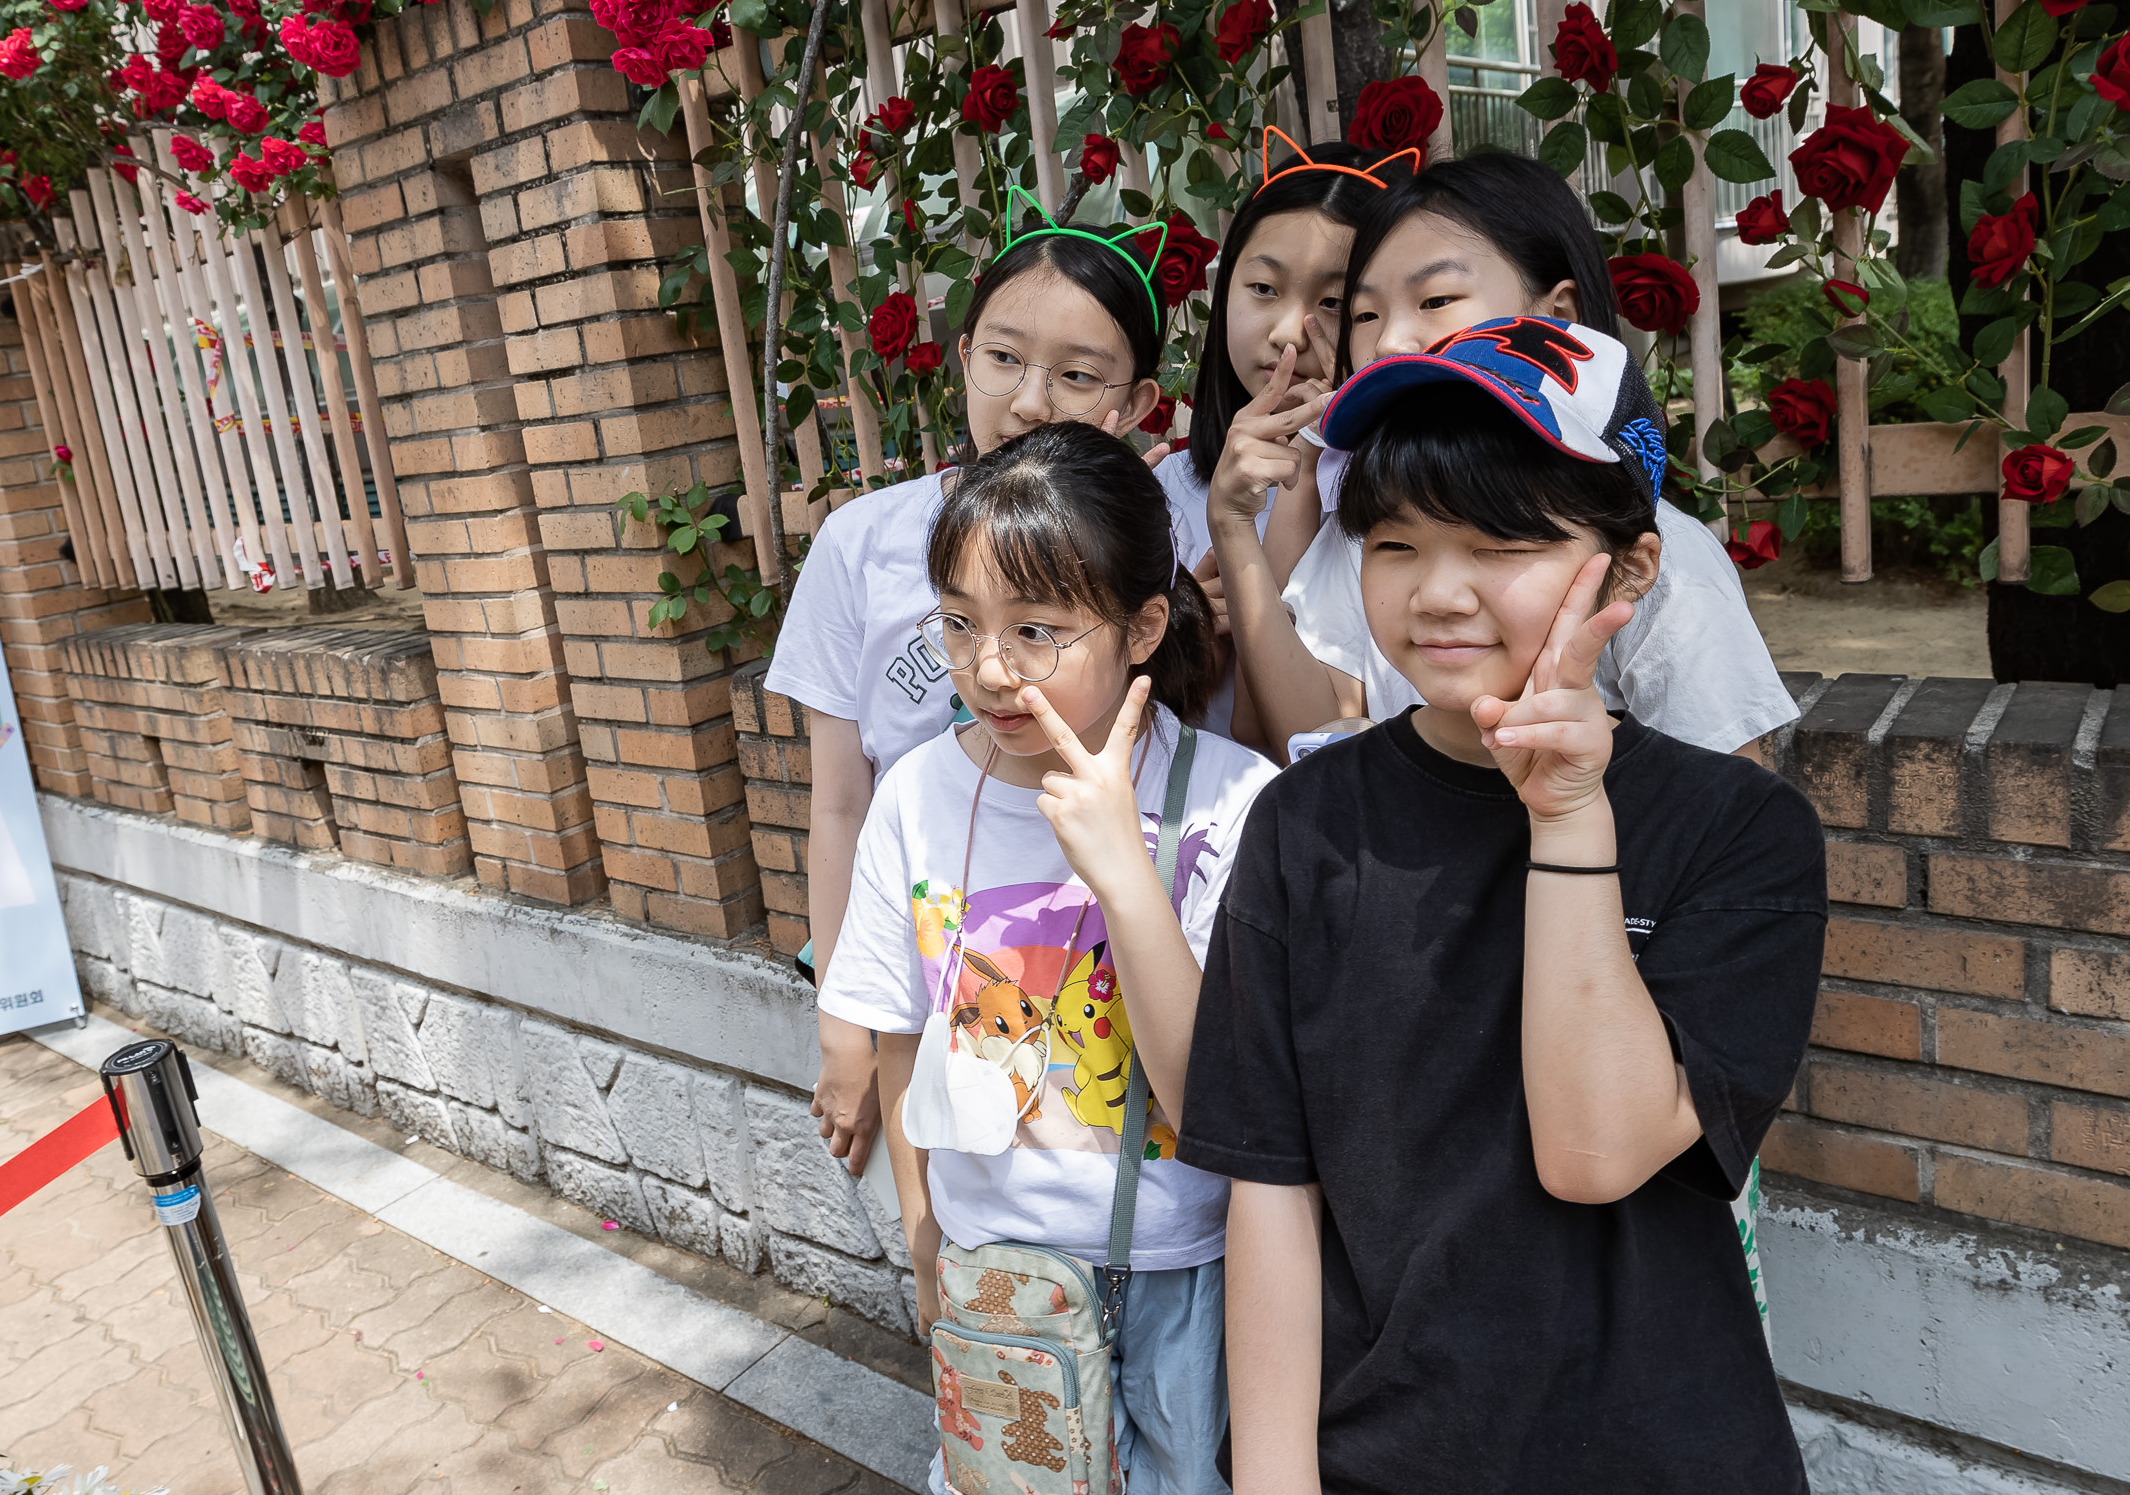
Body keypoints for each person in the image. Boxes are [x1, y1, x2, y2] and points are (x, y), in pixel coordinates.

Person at [1176, 324, 1827, 1493]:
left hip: (1659, 1450)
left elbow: (1596, 1150)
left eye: (1497, 541)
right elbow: (1270, 1184)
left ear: (1628, 569)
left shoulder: (1735, 831)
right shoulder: (1307, 824)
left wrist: (1572, 819)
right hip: (1379, 1448)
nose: (1435, 591)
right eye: (1394, 542)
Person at [820, 421, 1275, 1493]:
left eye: (1037, 629)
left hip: (1185, 1272)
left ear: (1143, 624)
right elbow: (900, 1033)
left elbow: (1209, 1093)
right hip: (995, 1274)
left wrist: (1123, 868)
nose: (987, 667)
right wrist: (928, 1240)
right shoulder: (915, 796)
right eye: (959, 622)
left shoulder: (1230, 802)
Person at [766, 197, 1175, 1180]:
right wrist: (845, 1021)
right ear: (962, 361)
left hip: (1115, 993)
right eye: (1003, 357)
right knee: (956, 1274)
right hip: (922, 997)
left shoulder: (1163, 554)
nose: (1030, 400)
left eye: (1076, 375)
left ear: (1135, 402)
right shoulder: (858, 543)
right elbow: (839, 800)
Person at [1218, 151, 1802, 762]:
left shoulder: (1650, 554)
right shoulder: (1371, 526)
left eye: (1436, 299)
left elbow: (1730, 801)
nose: (1388, 341)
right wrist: (1242, 520)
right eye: (1364, 313)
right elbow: (1308, 735)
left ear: (1559, 315)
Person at [1153, 134, 1413, 740]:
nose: (1289, 334)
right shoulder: (1165, 497)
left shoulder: (1412, 500)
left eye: (1333, 300)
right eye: (1263, 289)